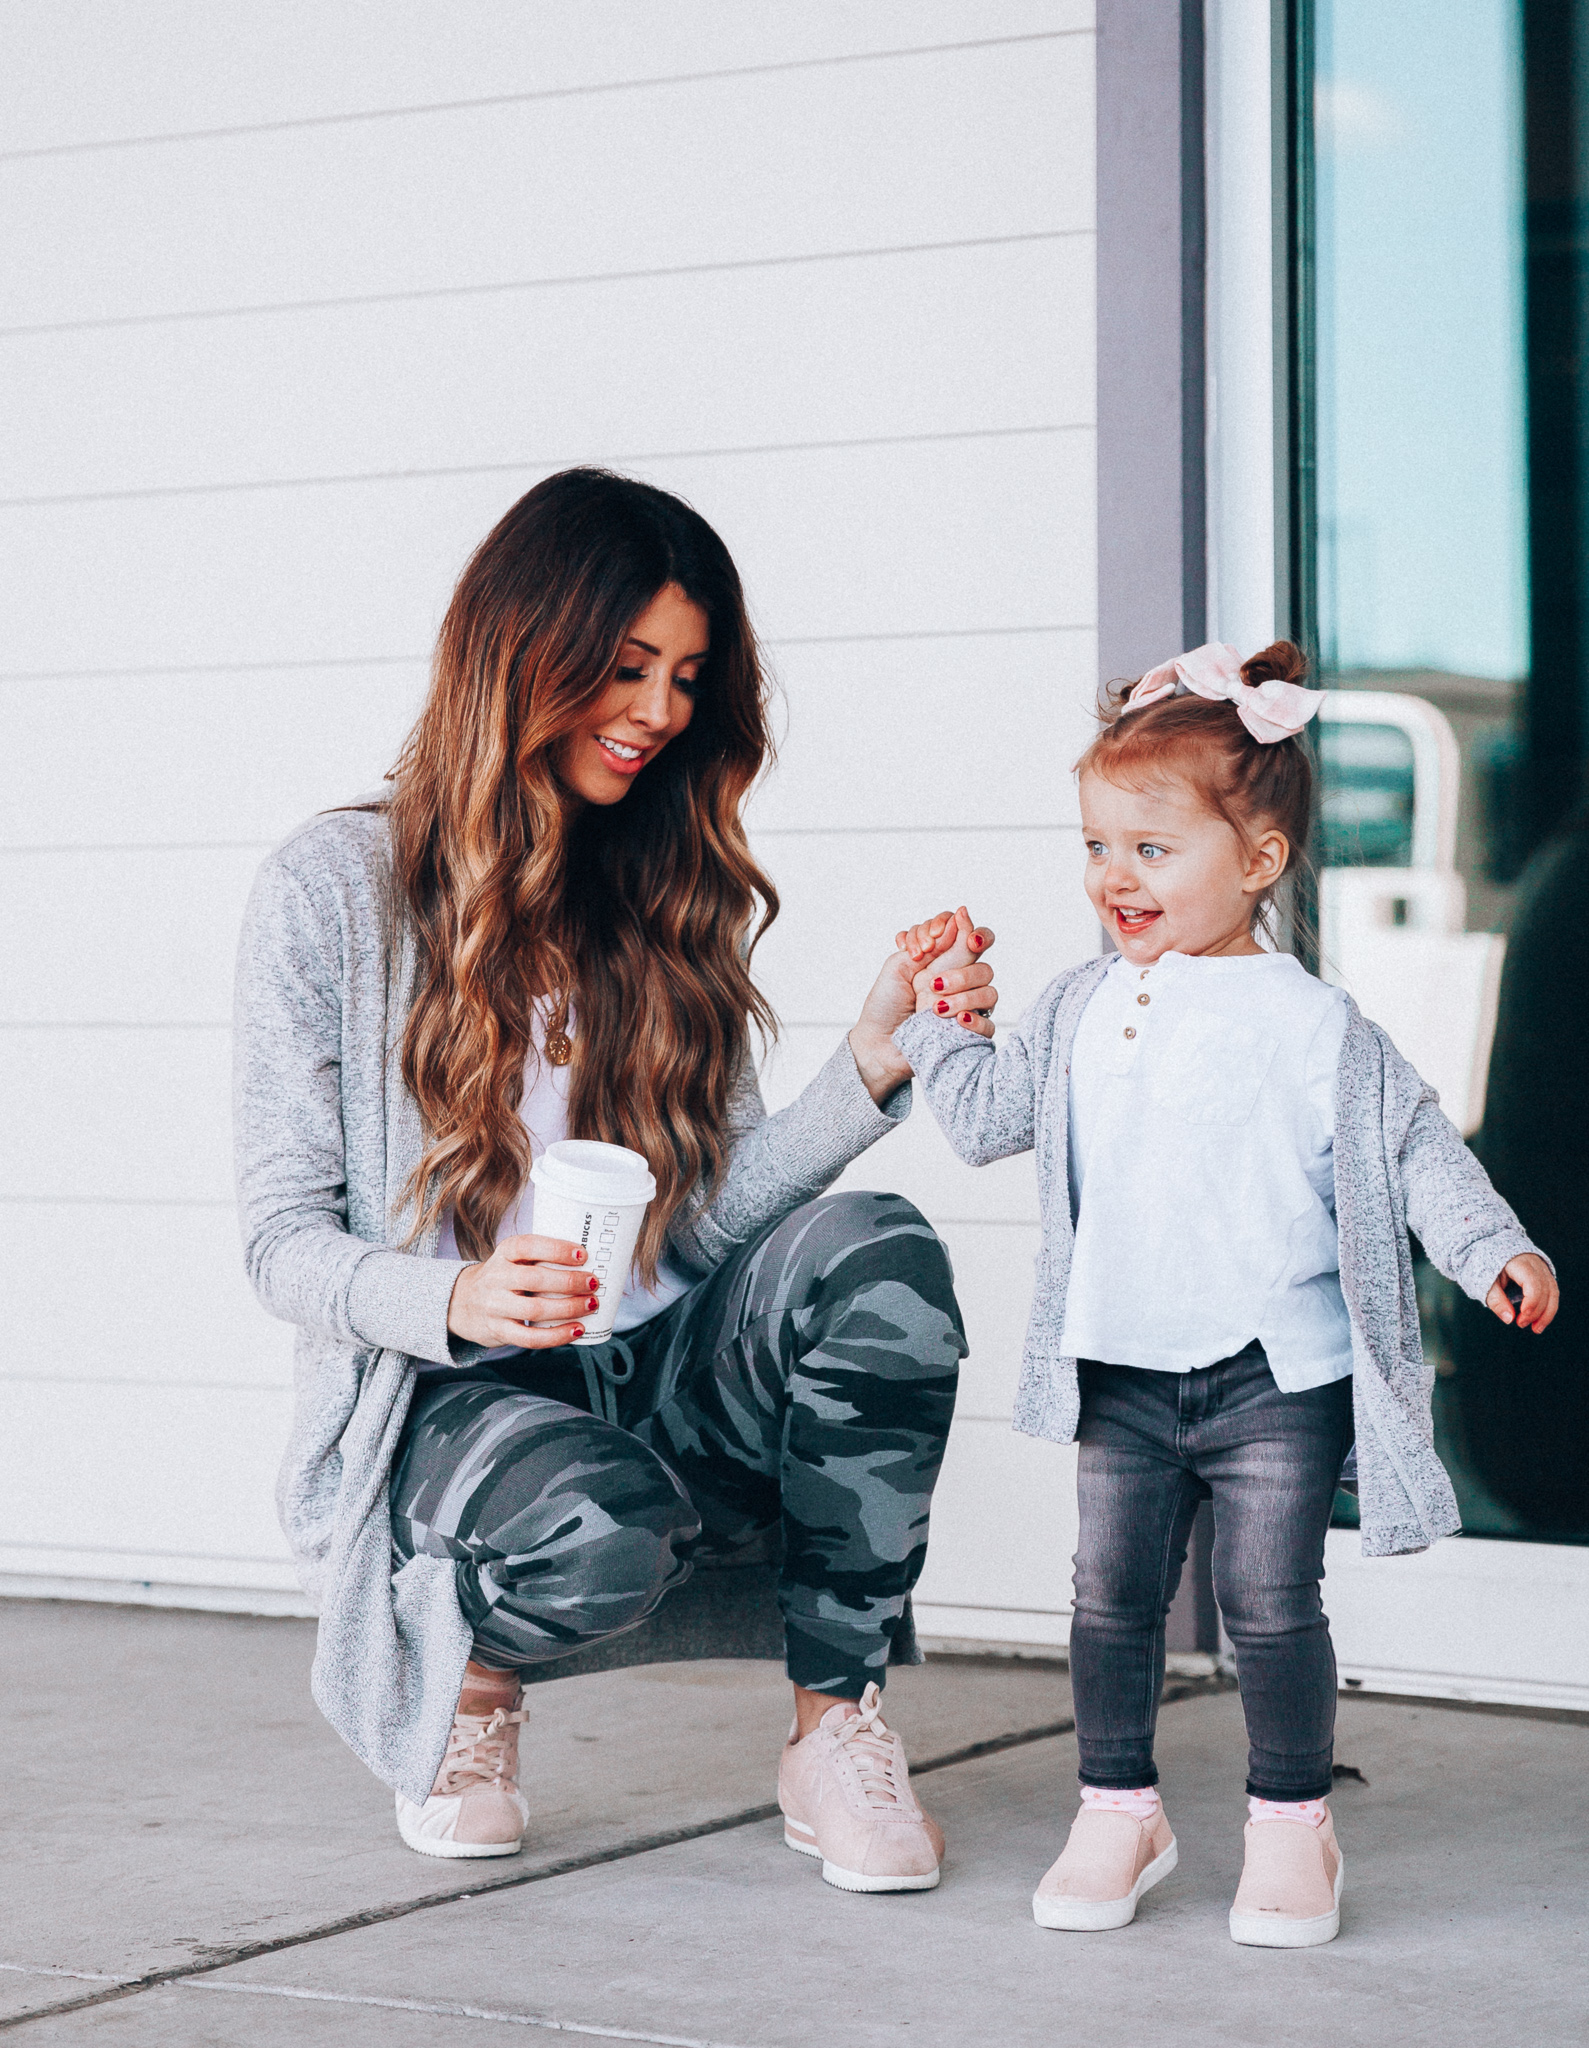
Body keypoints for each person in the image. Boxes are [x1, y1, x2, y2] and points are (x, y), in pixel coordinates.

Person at [233, 468, 984, 1892]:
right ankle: (464, 1682)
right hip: (450, 1398)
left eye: (688, 677)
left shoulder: (660, 890)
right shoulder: (331, 891)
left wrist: (872, 1064)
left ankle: (835, 1726)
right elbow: (279, 1245)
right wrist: (455, 1292)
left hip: (658, 1370)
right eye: (626, 667)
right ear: (519, 650)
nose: (658, 711)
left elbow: (704, 1226)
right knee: (596, 1536)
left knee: (874, 1247)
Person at [889, 642, 1557, 1946]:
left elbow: (1418, 1148)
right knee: (1108, 1597)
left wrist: (1491, 1252)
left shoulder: (1314, 1026)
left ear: (1254, 860)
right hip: (1120, 1372)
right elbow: (977, 1121)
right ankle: (1117, 1808)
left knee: (1268, 1603)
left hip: (1272, 1378)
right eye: (1096, 847)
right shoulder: (1078, 1007)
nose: (1111, 878)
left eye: (1149, 850)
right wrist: (935, 1023)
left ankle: (1289, 1824)